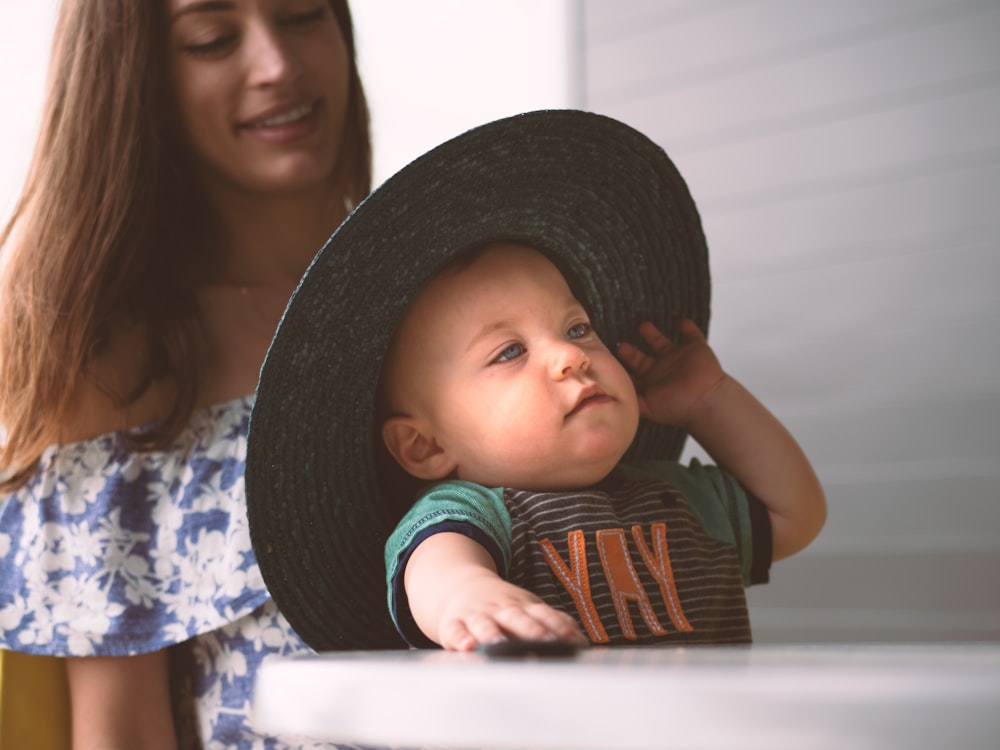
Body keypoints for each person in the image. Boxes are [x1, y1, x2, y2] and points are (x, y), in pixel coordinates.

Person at [243, 109, 828, 655]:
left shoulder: (681, 499)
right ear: (426, 446)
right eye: (510, 351)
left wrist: (710, 402)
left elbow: (795, 516)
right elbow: (437, 572)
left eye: (576, 327)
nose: (569, 357)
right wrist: (471, 598)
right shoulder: (475, 515)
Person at [0, 0, 372, 747]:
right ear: (137, 83)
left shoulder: (458, 300)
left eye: (301, 14)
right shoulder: (115, 366)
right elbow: (122, 734)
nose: (276, 65)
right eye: (211, 40)